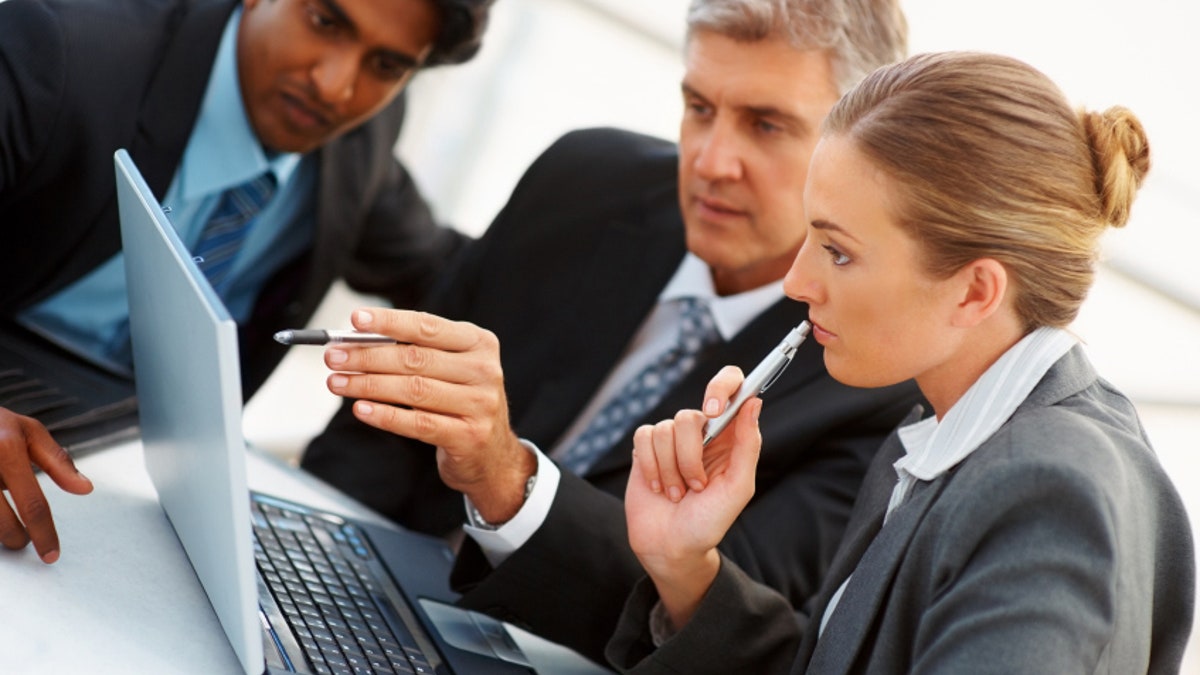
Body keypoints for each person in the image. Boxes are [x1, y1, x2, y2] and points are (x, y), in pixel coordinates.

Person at [301, 0, 921, 663]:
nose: (712, 161)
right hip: (356, 582)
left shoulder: (875, 379)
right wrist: (307, 553)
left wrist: (511, 484)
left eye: (765, 125)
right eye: (700, 108)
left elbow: (715, 610)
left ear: (861, 152)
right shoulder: (584, 179)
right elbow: (373, 439)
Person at [605, 50, 1196, 673]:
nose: (795, 282)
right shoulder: (945, 436)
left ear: (975, 292)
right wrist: (684, 567)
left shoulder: (1050, 492)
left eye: (837, 251)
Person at [0, 0, 494, 564]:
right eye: (325, 22)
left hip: (138, 479)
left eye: (385, 66)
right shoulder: (60, 46)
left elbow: (440, 273)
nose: (336, 88)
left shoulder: (364, 132)